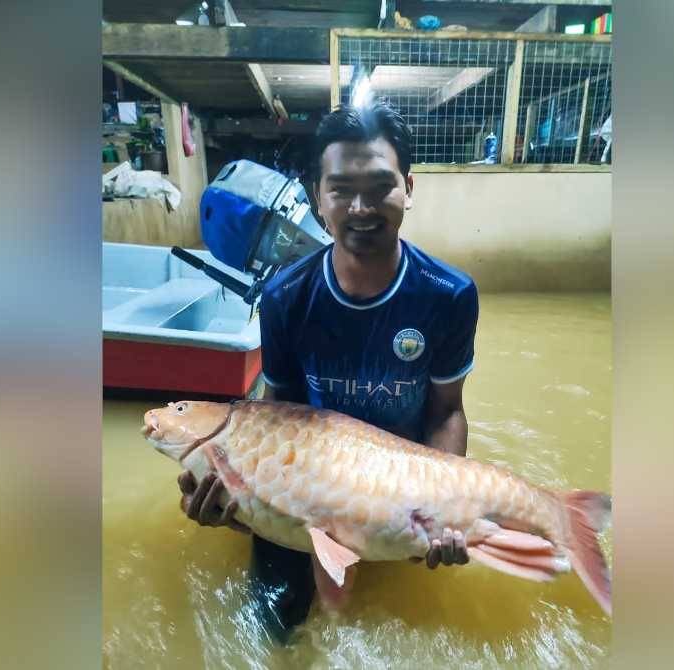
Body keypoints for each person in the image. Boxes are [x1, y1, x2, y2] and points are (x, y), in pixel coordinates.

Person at [177, 101, 479, 642]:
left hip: (397, 485)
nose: (361, 207)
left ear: (409, 187)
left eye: (380, 186)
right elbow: (276, 417)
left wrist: (443, 505)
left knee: (414, 632)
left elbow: (448, 411)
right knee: (272, 629)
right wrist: (244, 505)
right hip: (307, 485)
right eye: (341, 189)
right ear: (319, 198)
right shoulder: (285, 297)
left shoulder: (449, 295)